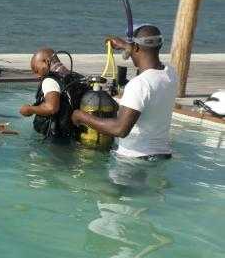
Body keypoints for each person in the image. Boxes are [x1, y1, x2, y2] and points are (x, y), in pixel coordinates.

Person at [71, 25, 176, 159]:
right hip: (163, 155)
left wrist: (81, 116)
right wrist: (127, 46)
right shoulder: (170, 74)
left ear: (136, 48)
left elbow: (120, 129)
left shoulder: (139, 85)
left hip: (135, 160)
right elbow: (149, 77)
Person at [19, 48, 84, 140]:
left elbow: (51, 108)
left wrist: (29, 109)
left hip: (58, 137)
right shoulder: (74, 77)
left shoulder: (49, 80)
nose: (37, 75)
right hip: (74, 133)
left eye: (36, 70)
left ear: (46, 61)